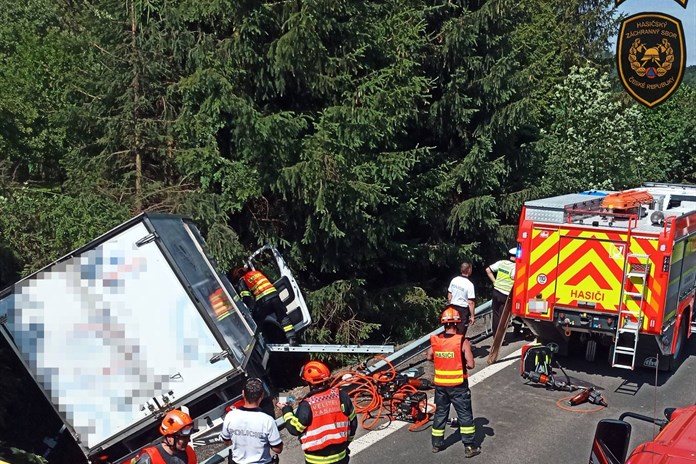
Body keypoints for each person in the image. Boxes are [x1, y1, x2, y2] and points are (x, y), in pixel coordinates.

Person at [427, 308, 480, 458]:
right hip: (458, 386)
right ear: (457, 323)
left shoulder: (437, 340)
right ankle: (469, 446)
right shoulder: (462, 341)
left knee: (440, 413)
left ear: (443, 324)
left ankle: (436, 444)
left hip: (441, 387)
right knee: (465, 415)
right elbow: (471, 364)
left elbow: (429, 356)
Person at [281, 360, 357, 464]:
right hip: (341, 456)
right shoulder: (341, 396)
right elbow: (353, 423)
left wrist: (286, 410)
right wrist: (346, 444)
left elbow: (295, 429)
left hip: (316, 460)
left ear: (309, 382)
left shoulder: (307, 404)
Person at [220, 377, 283, 464]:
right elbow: (278, 449)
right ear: (262, 395)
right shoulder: (267, 420)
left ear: (243, 393)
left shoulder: (230, 416)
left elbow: (227, 442)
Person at [232, 266, 298, 346]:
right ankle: (292, 339)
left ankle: (258, 343)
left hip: (263, 300)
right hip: (275, 296)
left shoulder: (243, 279)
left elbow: (247, 297)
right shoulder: (256, 273)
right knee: (283, 316)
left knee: (256, 321)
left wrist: (251, 310)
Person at [132, 409, 197, 464]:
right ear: (169, 437)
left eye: (188, 437)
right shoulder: (149, 458)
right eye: (184, 438)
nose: (189, 440)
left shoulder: (189, 451)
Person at [485, 248, 517, 343]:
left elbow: (488, 270)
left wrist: (495, 282)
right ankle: (500, 339)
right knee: (503, 317)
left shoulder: (501, 263)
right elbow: (515, 279)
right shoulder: (515, 267)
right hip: (506, 294)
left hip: (496, 291)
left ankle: (495, 336)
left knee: (496, 315)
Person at [447, 262, 476, 336]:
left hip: (452, 308)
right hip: (462, 310)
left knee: (451, 330)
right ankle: (458, 346)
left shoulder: (454, 280)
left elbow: (449, 295)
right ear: (469, 270)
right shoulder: (469, 284)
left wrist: (451, 304)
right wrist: (472, 316)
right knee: (460, 333)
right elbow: (470, 302)